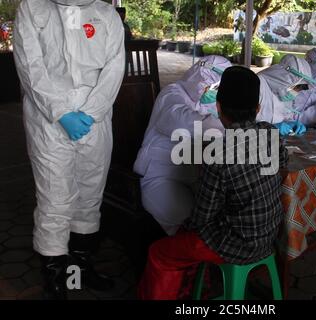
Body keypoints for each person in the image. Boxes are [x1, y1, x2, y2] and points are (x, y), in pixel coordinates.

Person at [137, 66, 288, 300]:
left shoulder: (217, 153)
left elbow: (202, 217)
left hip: (236, 245)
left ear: (217, 108)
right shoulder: (271, 133)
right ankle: (201, 283)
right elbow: (282, 167)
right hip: (269, 238)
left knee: (160, 253)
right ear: (258, 109)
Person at [13, 0, 125, 299]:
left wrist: (92, 111)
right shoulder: (32, 8)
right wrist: (60, 111)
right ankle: (55, 276)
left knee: (90, 194)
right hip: (48, 120)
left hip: (95, 119)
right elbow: (30, 65)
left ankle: (81, 268)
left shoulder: (105, 13)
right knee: (54, 197)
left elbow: (115, 65)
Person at [134, 56, 232, 237]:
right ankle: (179, 259)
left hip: (193, 176)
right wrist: (231, 128)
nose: (216, 93)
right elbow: (186, 122)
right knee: (193, 223)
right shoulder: (172, 94)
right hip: (161, 177)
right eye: (215, 87)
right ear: (200, 78)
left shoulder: (207, 102)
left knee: (221, 214)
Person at [257, 55, 315, 134]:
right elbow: (241, 124)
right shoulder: (256, 85)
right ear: (285, 78)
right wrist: (270, 129)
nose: (296, 92)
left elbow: (286, 115)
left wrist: (291, 123)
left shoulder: (283, 91)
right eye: (297, 87)